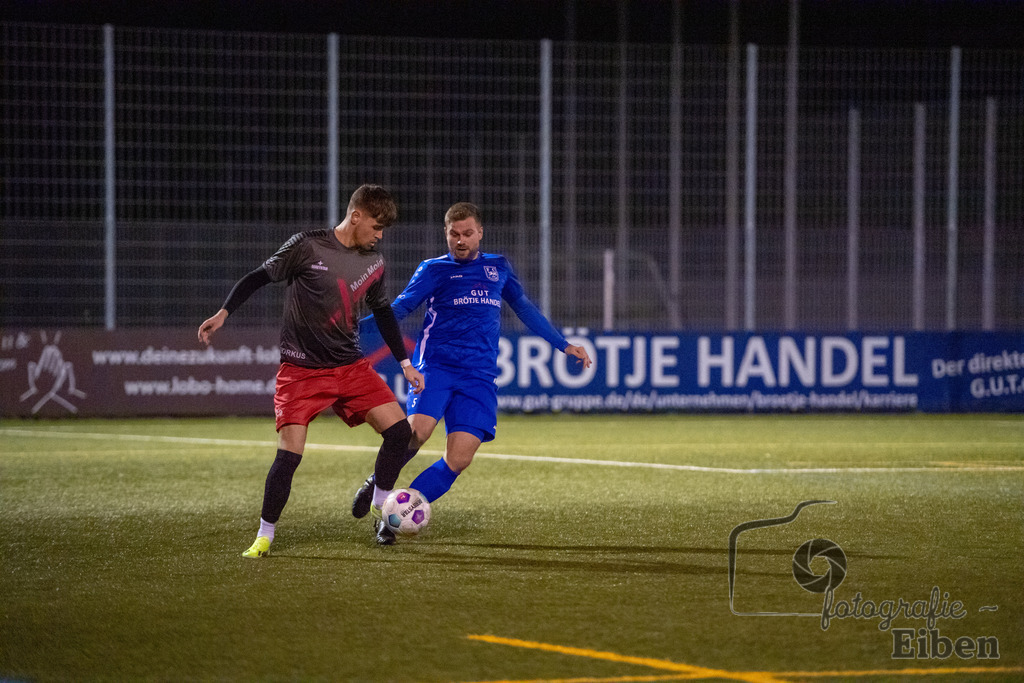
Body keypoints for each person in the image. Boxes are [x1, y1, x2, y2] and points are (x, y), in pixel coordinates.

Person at [198, 184, 425, 552]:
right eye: (377, 227)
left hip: (350, 367)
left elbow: (383, 312)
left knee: (399, 433)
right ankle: (264, 535)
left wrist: (404, 363)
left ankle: (382, 511)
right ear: (357, 216)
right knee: (289, 456)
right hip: (301, 371)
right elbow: (258, 276)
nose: (379, 236)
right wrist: (224, 313)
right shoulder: (307, 245)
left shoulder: (374, 263)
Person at [351, 201, 592, 524]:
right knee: (417, 432)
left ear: (480, 233)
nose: (461, 240)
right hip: (436, 367)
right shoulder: (433, 269)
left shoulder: (498, 267)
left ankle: (393, 518)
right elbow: (400, 308)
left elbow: (524, 309)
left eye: (467, 233)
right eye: (454, 234)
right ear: (446, 235)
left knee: (459, 458)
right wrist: (354, 326)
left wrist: (563, 345)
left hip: (479, 376)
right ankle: (377, 484)